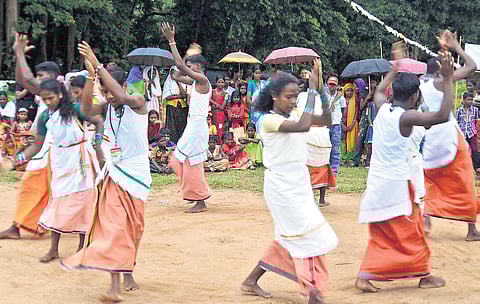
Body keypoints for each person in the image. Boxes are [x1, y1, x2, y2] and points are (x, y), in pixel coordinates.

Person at [355, 52, 455, 292]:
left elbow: (379, 91)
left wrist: (394, 69)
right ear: (413, 97)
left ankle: (414, 273)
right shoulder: (406, 116)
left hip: (377, 181)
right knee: (414, 229)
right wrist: (449, 79)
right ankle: (418, 274)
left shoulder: (382, 108)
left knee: (383, 232)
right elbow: (442, 116)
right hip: (397, 184)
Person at [60, 41, 152, 302]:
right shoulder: (106, 108)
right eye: (104, 91)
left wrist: (98, 65)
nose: (108, 96)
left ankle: (128, 271)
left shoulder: (137, 100)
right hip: (114, 175)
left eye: (109, 89)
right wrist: (92, 76)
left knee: (134, 228)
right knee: (114, 227)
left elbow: (121, 97)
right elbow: (86, 109)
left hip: (137, 175)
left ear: (121, 85)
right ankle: (114, 286)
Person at [241, 60, 338, 304]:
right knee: (305, 235)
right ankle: (312, 291)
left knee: (289, 237)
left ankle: (251, 280)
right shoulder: (267, 120)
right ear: (274, 96)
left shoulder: (293, 113)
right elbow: (304, 125)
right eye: (289, 96)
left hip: (299, 183)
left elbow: (325, 120)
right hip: (281, 188)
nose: (294, 101)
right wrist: (313, 91)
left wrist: (321, 92)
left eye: (296, 96)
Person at [16, 79, 103, 263]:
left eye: (51, 98)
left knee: (83, 203)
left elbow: (97, 122)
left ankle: (82, 248)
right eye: (44, 99)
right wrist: (19, 159)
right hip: (60, 161)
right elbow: (37, 146)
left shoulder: (76, 110)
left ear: (60, 95)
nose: (47, 102)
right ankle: (54, 249)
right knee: (58, 201)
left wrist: (98, 144)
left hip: (81, 160)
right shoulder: (45, 116)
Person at [420, 30, 480, 241]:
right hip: (449, 136)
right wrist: (456, 47)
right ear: (441, 70)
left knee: (431, 179)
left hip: (429, 138)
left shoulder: (422, 84)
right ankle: (472, 230)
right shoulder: (442, 82)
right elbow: (472, 66)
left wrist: (445, 51)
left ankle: (426, 218)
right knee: (464, 178)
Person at [0, 33, 60, 240]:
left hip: (59, 153)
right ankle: (20, 226)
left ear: (53, 78)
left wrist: (18, 52)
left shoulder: (60, 94)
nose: (38, 80)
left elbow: (24, 79)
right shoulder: (46, 100)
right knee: (38, 189)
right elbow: (21, 79)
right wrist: (17, 159)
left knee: (42, 189)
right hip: (47, 151)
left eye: (42, 77)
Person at [162, 22, 211, 214]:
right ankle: (199, 198)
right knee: (190, 162)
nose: (188, 68)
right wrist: (186, 57)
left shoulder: (203, 80)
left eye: (192, 66)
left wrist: (172, 41)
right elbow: (176, 73)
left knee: (178, 160)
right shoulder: (196, 80)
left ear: (197, 67)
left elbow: (180, 67)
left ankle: (199, 198)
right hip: (195, 125)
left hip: (197, 125)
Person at [297, 90, 336, 207]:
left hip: (310, 133)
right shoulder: (324, 97)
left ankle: (310, 198)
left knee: (308, 166)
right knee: (323, 165)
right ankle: (321, 199)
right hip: (320, 134)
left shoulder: (302, 95)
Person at [353, 79, 377, 167]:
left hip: (374, 116)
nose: (373, 83)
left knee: (372, 140)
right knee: (360, 138)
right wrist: (368, 97)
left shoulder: (379, 92)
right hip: (365, 117)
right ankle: (356, 160)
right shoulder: (365, 92)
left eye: (374, 82)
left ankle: (369, 160)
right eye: (372, 82)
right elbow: (361, 107)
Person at [163, 66, 189, 143]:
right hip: (172, 107)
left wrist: (179, 83)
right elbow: (167, 97)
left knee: (182, 127)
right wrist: (179, 95)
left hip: (182, 108)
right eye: (172, 72)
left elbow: (184, 95)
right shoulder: (168, 83)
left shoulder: (183, 82)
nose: (174, 74)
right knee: (172, 128)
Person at [325, 76, 345, 175]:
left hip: (336, 125)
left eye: (333, 84)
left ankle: (334, 171)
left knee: (335, 148)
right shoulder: (323, 95)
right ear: (327, 84)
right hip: (325, 124)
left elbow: (343, 110)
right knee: (325, 148)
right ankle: (325, 169)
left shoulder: (341, 98)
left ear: (337, 85)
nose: (331, 86)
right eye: (330, 84)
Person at [248, 65, 268, 132]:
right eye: (256, 73)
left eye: (259, 73)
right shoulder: (251, 83)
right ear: (253, 73)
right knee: (256, 128)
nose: (258, 75)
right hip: (255, 109)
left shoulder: (264, 83)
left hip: (264, 109)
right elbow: (248, 99)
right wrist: (256, 106)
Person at [342, 83, 359, 164]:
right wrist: (342, 125)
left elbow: (356, 113)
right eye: (347, 91)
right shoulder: (341, 100)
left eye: (351, 90)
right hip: (342, 124)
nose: (349, 92)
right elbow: (339, 113)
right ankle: (343, 158)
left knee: (353, 140)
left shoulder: (355, 99)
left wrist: (352, 124)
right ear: (344, 91)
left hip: (353, 124)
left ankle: (351, 157)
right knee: (343, 141)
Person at [210, 75, 228, 142]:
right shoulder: (212, 91)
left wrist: (214, 104)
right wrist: (216, 104)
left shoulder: (225, 94)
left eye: (222, 82)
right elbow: (208, 99)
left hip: (220, 115)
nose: (220, 84)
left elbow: (222, 107)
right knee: (211, 130)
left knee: (219, 131)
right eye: (219, 82)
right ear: (216, 83)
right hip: (211, 114)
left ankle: (220, 146)